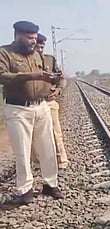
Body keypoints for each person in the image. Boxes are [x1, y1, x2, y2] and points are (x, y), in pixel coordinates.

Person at [0, 21, 64, 207]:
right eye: (29, 38)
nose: (33, 42)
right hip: (18, 109)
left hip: (41, 106)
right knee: (22, 151)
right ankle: (25, 190)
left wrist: (55, 83)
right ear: (18, 35)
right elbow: (3, 76)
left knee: (48, 148)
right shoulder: (5, 53)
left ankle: (51, 184)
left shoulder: (38, 54)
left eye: (35, 38)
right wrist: (33, 76)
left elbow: (52, 75)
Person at [31, 33, 69, 176]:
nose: (40, 47)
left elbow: (61, 79)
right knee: (34, 136)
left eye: (42, 45)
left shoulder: (50, 60)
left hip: (48, 102)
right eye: (38, 44)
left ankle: (61, 162)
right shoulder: (26, 61)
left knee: (55, 133)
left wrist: (58, 90)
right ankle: (37, 164)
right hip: (31, 104)